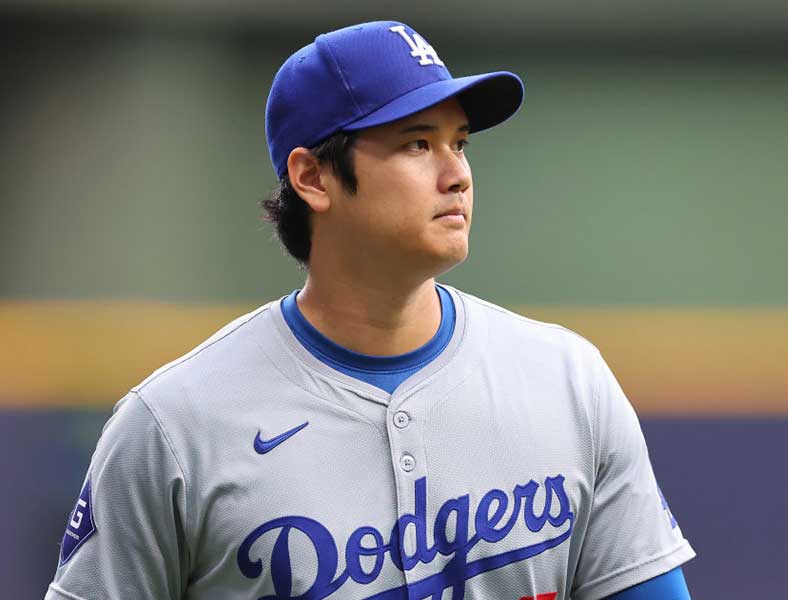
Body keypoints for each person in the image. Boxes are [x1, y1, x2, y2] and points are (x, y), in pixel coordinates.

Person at [46, 21, 695, 600]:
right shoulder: (173, 426)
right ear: (312, 178)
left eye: (460, 143)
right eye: (417, 144)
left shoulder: (569, 380)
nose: (457, 174)